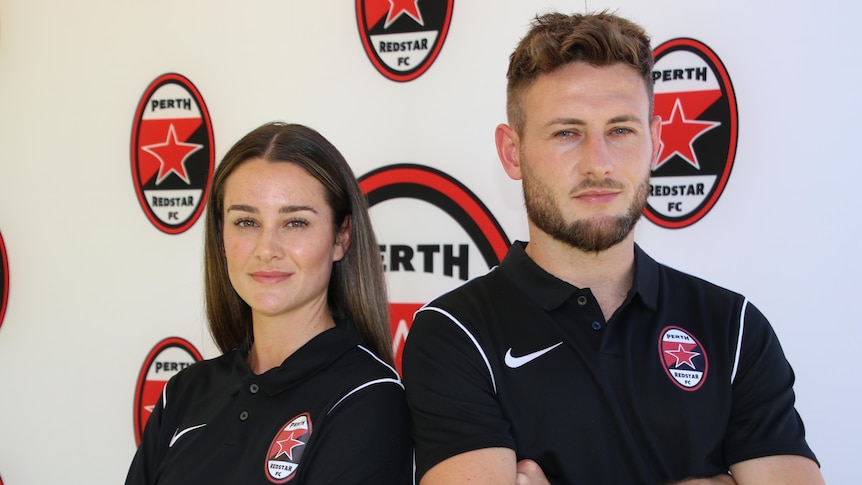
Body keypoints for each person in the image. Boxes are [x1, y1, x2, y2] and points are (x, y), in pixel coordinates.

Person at [402, 11, 824, 485]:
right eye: (567, 133)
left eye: (621, 130)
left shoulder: (734, 326)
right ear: (512, 152)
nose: (598, 163)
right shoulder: (456, 335)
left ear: (656, 143)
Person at [126, 122, 413, 484]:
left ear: (342, 237)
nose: (266, 250)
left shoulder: (369, 398)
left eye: (295, 223)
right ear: (221, 236)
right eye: (246, 221)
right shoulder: (184, 393)